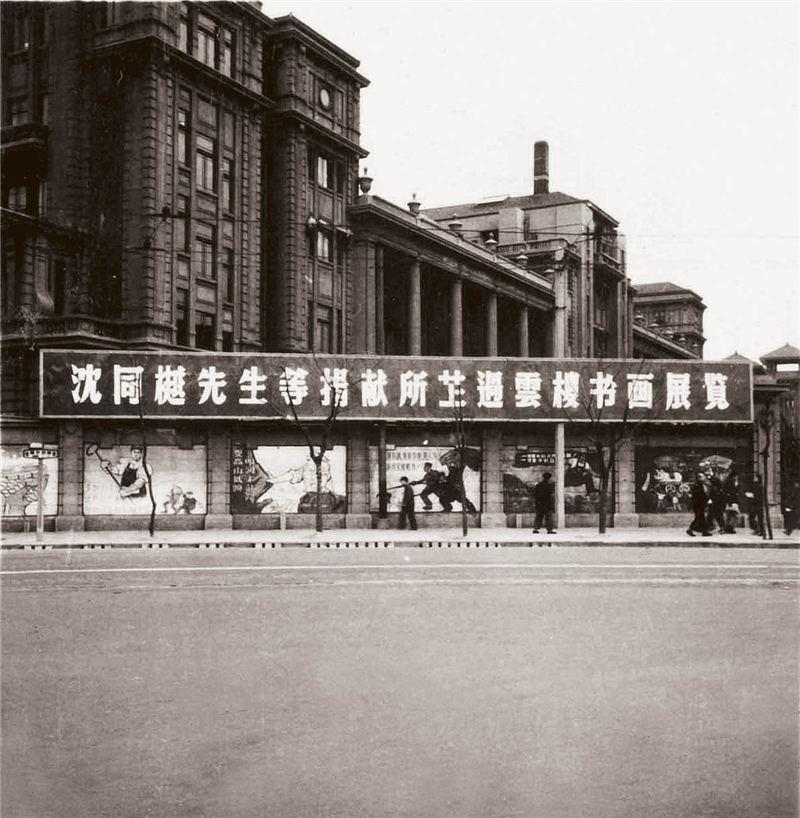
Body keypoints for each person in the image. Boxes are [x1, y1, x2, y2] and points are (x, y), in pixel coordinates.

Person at [687, 472, 712, 537]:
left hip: (699, 504)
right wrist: (706, 500)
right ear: (699, 478)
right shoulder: (698, 485)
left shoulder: (700, 484)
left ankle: (703, 531)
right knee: (699, 518)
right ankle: (691, 529)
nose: (704, 478)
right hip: (699, 505)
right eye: (703, 477)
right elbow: (699, 495)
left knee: (700, 518)